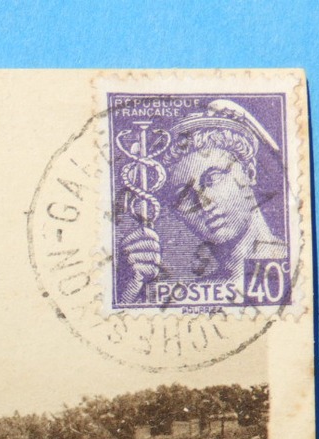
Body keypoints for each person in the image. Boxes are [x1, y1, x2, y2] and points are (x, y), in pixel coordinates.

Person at [118, 99, 288, 303]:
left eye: (213, 178)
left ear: (249, 173)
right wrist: (129, 287)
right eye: (184, 195)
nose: (204, 203)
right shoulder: (189, 295)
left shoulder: (294, 265)